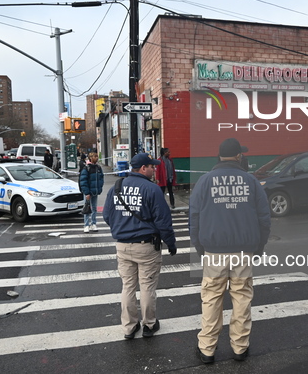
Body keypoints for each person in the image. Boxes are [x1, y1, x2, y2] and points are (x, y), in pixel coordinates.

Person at [189, 138, 271, 364]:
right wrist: (259, 247)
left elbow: (194, 218)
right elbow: (264, 218)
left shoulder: (204, 182)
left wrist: (200, 248)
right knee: (242, 298)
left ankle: (207, 349)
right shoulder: (251, 182)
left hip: (214, 252)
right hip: (244, 252)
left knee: (211, 299)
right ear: (238, 157)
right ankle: (240, 347)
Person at [103, 153, 178, 340]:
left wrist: (122, 228)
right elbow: (163, 221)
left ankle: (129, 327)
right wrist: (170, 243)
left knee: (128, 286)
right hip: (146, 247)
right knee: (147, 287)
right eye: (152, 167)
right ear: (143, 168)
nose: (154, 169)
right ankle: (149, 324)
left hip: (122, 246)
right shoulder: (152, 190)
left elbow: (106, 215)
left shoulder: (117, 187)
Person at [79, 151, 104, 233]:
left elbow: (101, 178)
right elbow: (83, 181)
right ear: (90, 158)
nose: (96, 158)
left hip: (95, 191)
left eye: (97, 156)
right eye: (95, 156)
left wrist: (100, 187)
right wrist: (86, 193)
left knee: (94, 208)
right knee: (87, 208)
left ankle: (93, 223)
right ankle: (86, 225)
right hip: (88, 192)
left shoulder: (98, 167)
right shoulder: (86, 168)